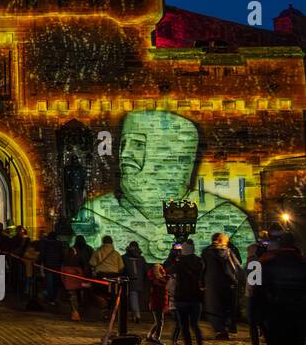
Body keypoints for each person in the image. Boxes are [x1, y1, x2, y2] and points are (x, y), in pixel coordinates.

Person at [72, 111, 255, 262]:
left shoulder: (226, 216)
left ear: (172, 152)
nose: (125, 154)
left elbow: (248, 273)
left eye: (138, 144)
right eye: (124, 144)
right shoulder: (95, 213)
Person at [259, 232, 306, 345]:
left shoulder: (268, 264)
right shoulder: (302, 264)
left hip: (276, 313)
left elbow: (260, 290)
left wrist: (260, 313)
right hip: (297, 314)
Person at [168, 240, 206, 345]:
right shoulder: (200, 261)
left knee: (184, 327)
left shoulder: (179, 262)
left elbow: (169, 269)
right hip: (196, 297)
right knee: (195, 325)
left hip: (182, 297)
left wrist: (173, 256)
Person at [201, 232, 239, 339]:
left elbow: (202, 268)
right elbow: (235, 267)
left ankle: (219, 330)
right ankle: (226, 329)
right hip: (227, 283)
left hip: (211, 283)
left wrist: (202, 281)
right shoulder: (228, 252)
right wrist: (236, 279)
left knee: (214, 306)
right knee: (226, 306)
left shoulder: (206, 252)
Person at [90, 236, 125, 318]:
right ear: (112, 242)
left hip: (101, 276)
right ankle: (112, 311)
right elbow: (121, 267)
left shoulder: (98, 251)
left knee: (97, 292)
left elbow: (92, 263)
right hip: (113, 277)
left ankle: (104, 307)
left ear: (103, 241)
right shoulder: (116, 253)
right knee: (113, 294)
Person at [245, 243, 265, 345]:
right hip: (259, 295)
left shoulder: (252, 262)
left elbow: (252, 280)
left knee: (252, 322)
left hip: (252, 296)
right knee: (261, 321)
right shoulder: (260, 261)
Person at [62, 243, 89, 321]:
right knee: (78, 295)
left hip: (69, 283)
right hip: (77, 282)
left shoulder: (65, 266)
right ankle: (77, 312)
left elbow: (63, 277)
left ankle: (75, 312)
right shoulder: (78, 266)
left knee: (72, 296)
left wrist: (64, 283)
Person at [124, 241, 148, 323]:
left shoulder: (124, 257)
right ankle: (136, 314)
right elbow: (146, 271)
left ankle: (136, 315)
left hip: (128, 281)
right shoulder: (141, 258)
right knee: (135, 297)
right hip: (139, 281)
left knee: (131, 297)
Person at [145, 263, 169, 345]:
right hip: (157, 302)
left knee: (158, 321)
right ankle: (156, 337)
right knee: (160, 322)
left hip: (157, 302)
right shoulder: (159, 282)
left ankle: (150, 335)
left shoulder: (154, 281)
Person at [38, 232, 65, 306]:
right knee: (55, 283)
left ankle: (51, 299)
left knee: (50, 283)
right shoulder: (59, 244)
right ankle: (54, 298)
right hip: (57, 267)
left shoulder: (45, 244)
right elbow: (62, 255)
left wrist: (39, 262)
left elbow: (42, 254)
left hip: (48, 267)